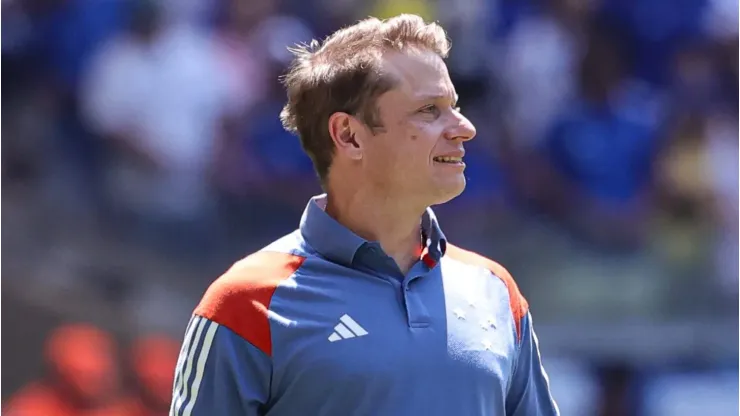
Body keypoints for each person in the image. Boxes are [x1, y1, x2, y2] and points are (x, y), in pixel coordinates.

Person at [170, 14, 559, 416]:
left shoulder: (496, 292)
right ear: (349, 135)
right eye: (429, 110)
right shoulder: (244, 302)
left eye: (454, 107)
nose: (464, 128)